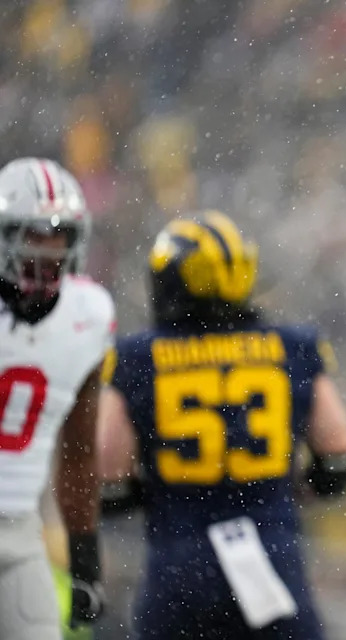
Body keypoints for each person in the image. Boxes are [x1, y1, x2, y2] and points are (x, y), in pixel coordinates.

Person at [97, 211, 346, 640]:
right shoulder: (292, 347)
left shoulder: (137, 357)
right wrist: (281, 492)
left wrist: (162, 496)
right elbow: (338, 456)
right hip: (270, 555)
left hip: (179, 564)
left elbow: (110, 476)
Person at [0, 157, 113, 638]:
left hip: (18, 527)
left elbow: (79, 453)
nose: (45, 255)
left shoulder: (87, 316)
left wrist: (85, 561)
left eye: (57, 238)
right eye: (31, 239)